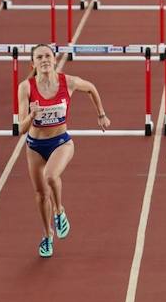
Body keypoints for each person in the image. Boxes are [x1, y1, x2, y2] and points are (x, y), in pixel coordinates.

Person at [16, 44, 110, 258]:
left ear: (55, 59)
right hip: (34, 146)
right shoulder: (26, 88)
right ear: (33, 63)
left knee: (50, 176)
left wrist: (101, 114)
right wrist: (31, 115)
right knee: (40, 195)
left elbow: (91, 88)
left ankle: (59, 211)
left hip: (61, 142)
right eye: (39, 57)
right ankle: (47, 235)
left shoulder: (68, 82)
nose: (44, 60)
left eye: (48, 55)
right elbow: (21, 129)